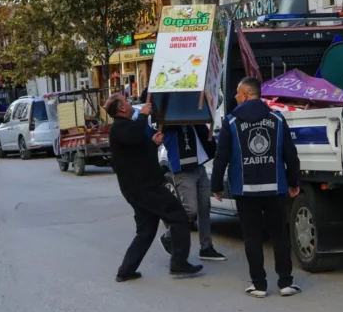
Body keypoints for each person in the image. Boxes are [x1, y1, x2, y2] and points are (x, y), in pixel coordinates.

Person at [211, 77, 302, 298]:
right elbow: (290, 154)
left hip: (245, 191)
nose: (234, 97)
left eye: (236, 93)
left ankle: (259, 285)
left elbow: (221, 157)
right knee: (279, 235)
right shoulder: (277, 119)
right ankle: (286, 282)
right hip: (275, 188)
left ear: (244, 95)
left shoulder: (231, 122)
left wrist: (216, 186)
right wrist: (293, 182)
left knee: (252, 237)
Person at [106, 93, 203, 282]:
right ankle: (178, 263)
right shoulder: (120, 127)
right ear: (122, 109)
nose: (130, 102)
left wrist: (154, 143)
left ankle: (126, 270)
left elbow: (138, 151)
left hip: (140, 187)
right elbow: (133, 138)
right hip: (145, 188)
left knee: (146, 230)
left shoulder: (126, 129)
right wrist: (143, 115)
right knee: (179, 217)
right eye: (126, 101)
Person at [156, 123, 226, 261]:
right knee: (190, 210)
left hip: (199, 167)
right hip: (183, 171)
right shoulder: (169, 120)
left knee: (204, 208)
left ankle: (206, 247)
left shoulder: (193, 118)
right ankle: (168, 237)